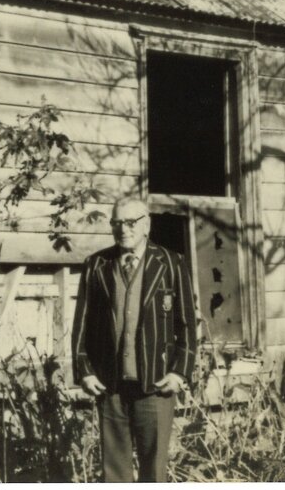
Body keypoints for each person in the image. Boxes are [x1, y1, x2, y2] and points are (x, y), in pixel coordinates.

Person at [72, 196, 197, 482]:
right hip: (109, 385)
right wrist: (85, 372)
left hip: (156, 384)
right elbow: (81, 325)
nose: (123, 229)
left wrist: (179, 372)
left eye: (131, 222)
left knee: (154, 470)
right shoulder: (96, 265)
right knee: (113, 472)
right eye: (117, 222)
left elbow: (187, 325)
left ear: (147, 225)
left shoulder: (171, 262)